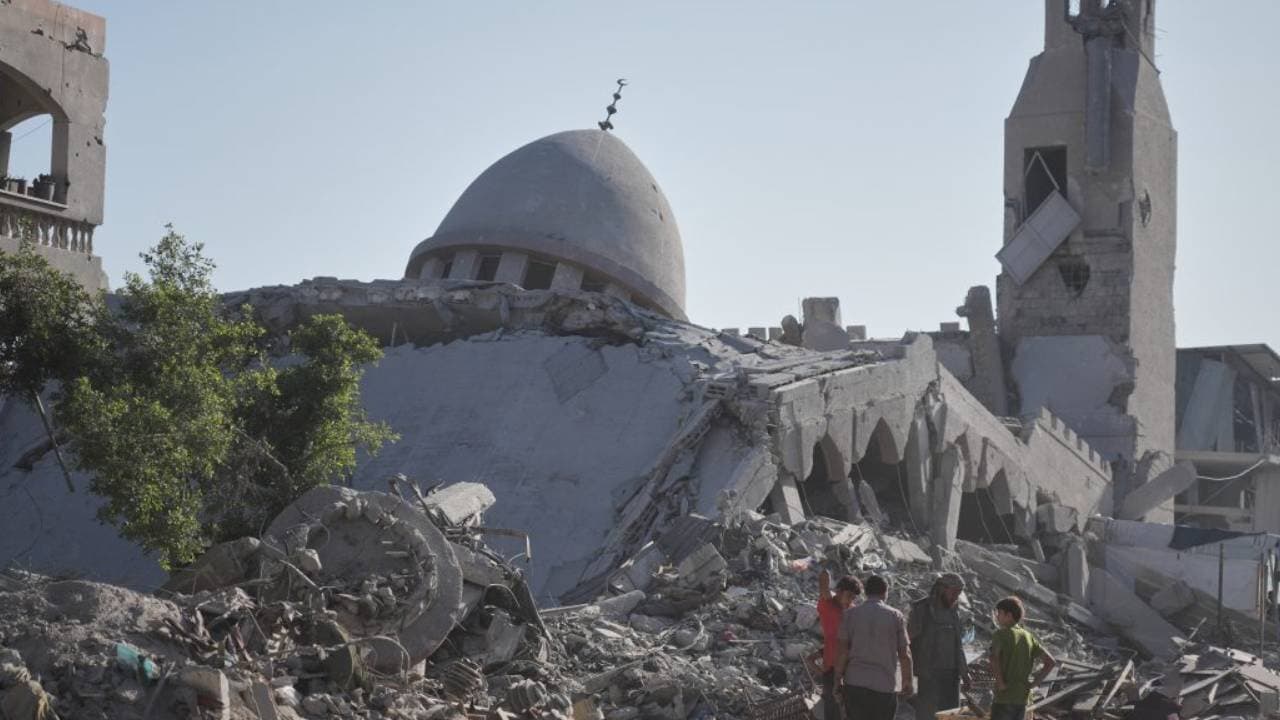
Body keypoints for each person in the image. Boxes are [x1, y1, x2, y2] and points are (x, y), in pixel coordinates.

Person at [834, 575, 913, 720]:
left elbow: (843, 651)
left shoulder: (850, 615)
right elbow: (904, 654)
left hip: (854, 685)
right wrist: (907, 681)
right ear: (885, 592)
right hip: (884, 687)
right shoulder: (896, 616)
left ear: (866, 592)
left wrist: (837, 678)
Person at [907, 572, 970, 720]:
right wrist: (909, 673)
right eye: (953, 592)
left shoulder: (955, 612)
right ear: (942, 588)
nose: (956, 597)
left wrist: (964, 673)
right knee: (927, 715)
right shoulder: (922, 609)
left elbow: (958, 645)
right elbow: (908, 641)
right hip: (928, 675)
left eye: (959, 593)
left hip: (951, 676)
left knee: (950, 715)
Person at [989, 596, 1056, 720]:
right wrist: (1034, 684)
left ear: (1008, 615)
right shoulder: (1028, 636)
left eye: (999, 613)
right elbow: (1051, 662)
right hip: (1022, 698)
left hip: (1005, 697)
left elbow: (993, 658)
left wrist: (1001, 683)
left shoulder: (1000, 634)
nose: (997, 617)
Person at [814, 570, 863, 720]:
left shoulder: (852, 610)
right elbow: (823, 585)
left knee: (850, 710)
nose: (850, 600)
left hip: (852, 667)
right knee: (833, 710)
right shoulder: (828, 605)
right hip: (832, 667)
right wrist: (825, 572)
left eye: (853, 598)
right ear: (839, 591)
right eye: (849, 596)